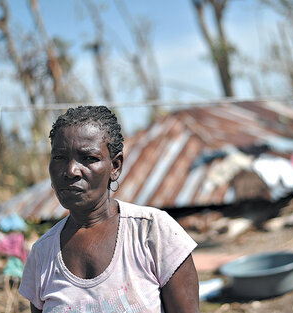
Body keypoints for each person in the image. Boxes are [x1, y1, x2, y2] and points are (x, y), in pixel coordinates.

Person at [18, 106, 200, 313]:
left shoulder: (152, 232)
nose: (71, 171)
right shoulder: (42, 254)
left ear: (115, 166)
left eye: (88, 158)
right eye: (59, 157)